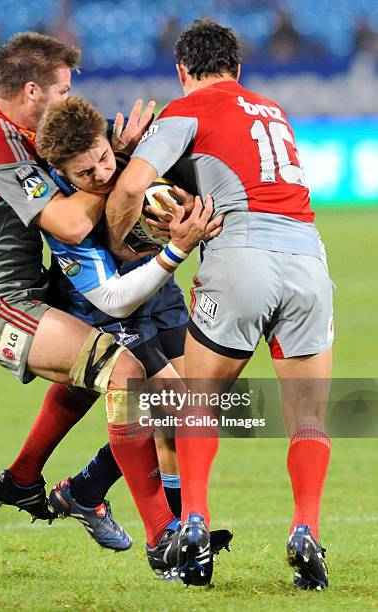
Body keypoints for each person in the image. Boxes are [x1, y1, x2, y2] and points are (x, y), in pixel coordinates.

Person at [0, 31, 220, 578]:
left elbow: (79, 161)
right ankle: (163, 537)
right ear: (32, 90)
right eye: (63, 90)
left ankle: (24, 479)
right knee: (124, 375)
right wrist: (116, 167)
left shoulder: (31, 131)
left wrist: (114, 157)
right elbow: (67, 222)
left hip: (30, 288)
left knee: (92, 374)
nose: (68, 100)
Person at [105, 18, 334, 590]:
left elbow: (133, 186)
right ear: (239, 68)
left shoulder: (187, 110)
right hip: (308, 257)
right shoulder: (272, 110)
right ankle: (305, 528)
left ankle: (196, 523)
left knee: (199, 400)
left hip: (240, 255)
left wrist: (118, 238)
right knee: (308, 418)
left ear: (182, 71)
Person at [34, 95, 229, 578]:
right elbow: (113, 299)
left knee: (183, 414)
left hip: (159, 292)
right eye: (86, 173)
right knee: (181, 410)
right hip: (112, 309)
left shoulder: (124, 154)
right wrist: (177, 251)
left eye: (104, 158)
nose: (102, 174)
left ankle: (86, 490)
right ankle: (175, 544)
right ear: (62, 173)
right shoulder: (61, 217)